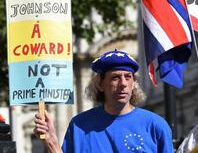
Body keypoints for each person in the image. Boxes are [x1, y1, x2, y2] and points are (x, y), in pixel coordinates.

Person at [34, 49, 174, 153]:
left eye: (128, 77)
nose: (123, 83)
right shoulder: (79, 126)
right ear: (100, 84)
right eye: (115, 78)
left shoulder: (155, 125)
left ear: (134, 83)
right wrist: (52, 143)